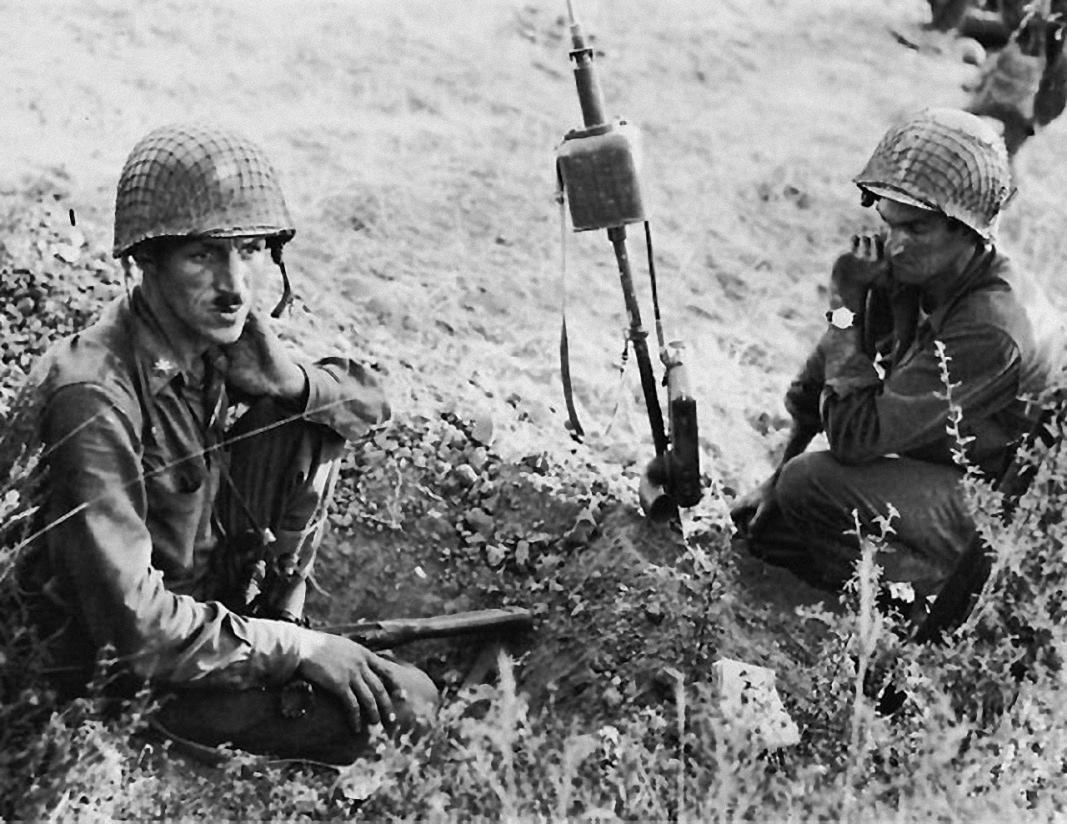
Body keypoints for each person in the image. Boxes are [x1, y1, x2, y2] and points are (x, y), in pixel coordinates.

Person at [23, 123, 437, 765]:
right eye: (203, 256)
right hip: (121, 676)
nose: (234, 285)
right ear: (146, 260)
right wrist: (296, 651)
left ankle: (279, 629)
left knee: (303, 412)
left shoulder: (214, 344)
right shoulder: (95, 397)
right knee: (406, 704)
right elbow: (136, 630)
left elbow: (369, 405)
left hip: (210, 624)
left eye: (247, 251)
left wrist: (287, 380)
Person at [731, 107, 1062, 606]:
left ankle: (936, 589)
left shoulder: (993, 326)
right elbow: (817, 382)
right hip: (952, 460)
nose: (897, 244)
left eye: (916, 230)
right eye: (891, 224)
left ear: (967, 232)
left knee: (808, 488)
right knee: (778, 520)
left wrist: (844, 309)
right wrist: (775, 477)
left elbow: (854, 439)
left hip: (1006, 507)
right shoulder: (916, 272)